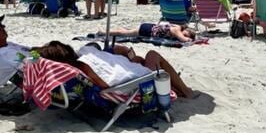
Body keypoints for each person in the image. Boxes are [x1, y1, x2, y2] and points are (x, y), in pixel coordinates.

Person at [38, 41, 194, 98]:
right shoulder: (84, 64)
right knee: (153, 54)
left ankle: (176, 87)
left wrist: (127, 59)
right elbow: (107, 84)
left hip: (133, 72)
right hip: (138, 80)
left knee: (138, 58)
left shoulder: (79, 64)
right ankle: (186, 91)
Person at [100, 21, 196, 43]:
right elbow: (183, 39)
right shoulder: (177, 30)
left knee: (128, 32)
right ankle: (103, 32)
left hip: (149, 27)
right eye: (187, 34)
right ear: (185, 31)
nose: (186, 35)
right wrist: (192, 40)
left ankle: (119, 28)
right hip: (147, 30)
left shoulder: (177, 27)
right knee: (124, 34)